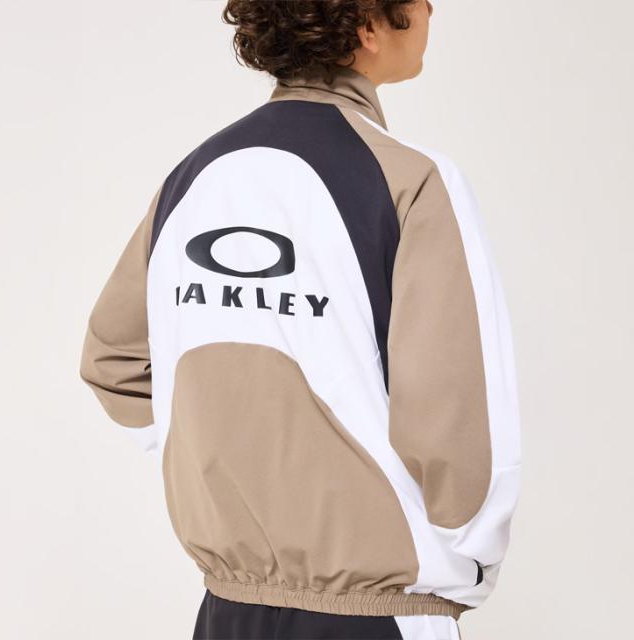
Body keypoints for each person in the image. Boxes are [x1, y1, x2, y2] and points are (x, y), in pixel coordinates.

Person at [79, 1, 522, 638]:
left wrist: (224, 461)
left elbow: (113, 359)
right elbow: (450, 407)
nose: (432, 9)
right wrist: (469, 558)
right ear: (368, 23)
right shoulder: (413, 180)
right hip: (380, 612)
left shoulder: (196, 174)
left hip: (227, 611)